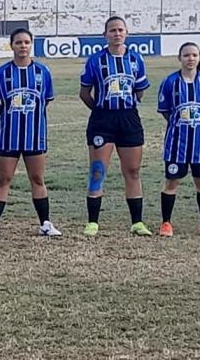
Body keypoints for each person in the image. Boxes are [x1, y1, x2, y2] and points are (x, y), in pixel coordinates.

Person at [0, 28, 62, 238]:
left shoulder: (42, 72)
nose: (23, 46)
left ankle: (45, 223)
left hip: (35, 135)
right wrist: (8, 115)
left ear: (31, 44)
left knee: (37, 178)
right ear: (12, 45)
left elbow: (45, 100)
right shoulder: (2, 72)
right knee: (4, 178)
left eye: (26, 42)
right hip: (8, 135)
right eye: (18, 42)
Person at [80, 16, 152, 236]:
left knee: (132, 171)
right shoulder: (96, 60)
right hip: (103, 119)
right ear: (105, 35)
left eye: (120, 30)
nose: (117, 33)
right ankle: (93, 223)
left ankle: (137, 223)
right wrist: (101, 110)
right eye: (112, 30)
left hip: (128, 118)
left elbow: (140, 90)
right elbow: (84, 93)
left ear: (126, 33)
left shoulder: (135, 59)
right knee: (98, 171)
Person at [157, 42, 200, 237]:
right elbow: (165, 111)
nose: (190, 59)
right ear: (179, 58)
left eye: (194, 55)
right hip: (177, 144)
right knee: (172, 183)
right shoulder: (170, 82)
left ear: (199, 57)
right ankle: (166, 223)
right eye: (186, 55)